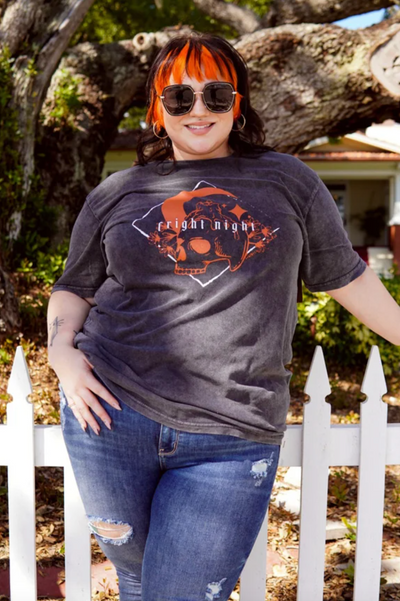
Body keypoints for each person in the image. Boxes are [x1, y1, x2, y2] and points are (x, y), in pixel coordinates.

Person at [47, 31, 400, 601]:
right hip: (111, 417)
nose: (199, 109)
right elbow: (75, 288)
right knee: (139, 579)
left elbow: (349, 278)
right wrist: (61, 353)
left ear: (237, 104)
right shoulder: (118, 192)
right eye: (179, 97)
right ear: (157, 110)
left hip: (232, 433)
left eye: (215, 94)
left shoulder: (288, 181)